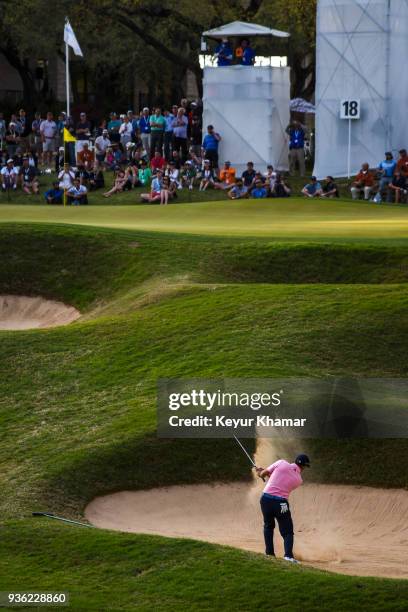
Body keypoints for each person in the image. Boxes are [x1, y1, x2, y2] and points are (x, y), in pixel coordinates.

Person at [256, 454, 310, 563]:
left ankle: (269, 554)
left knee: (268, 526)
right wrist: (266, 474)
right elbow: (283, 481)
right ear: (304, 466)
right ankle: (288, 556)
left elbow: (266, 475)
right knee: (287, 531)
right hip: (281, 503)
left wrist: (260, 473)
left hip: (265, 499)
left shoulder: (281, 463)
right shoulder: (299, 480)